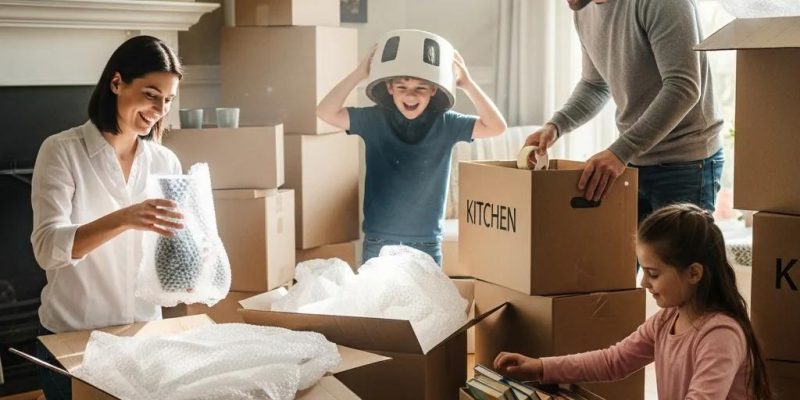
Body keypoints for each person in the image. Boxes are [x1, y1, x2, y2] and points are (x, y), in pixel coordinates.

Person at [30, 35, 185, 399]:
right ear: (117, 83)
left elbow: (173, 252)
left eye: (168, 100)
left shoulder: (166, 162)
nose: (160, 109)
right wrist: (124, 218)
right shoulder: (61, 151)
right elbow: (47, 249)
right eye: (150, 94)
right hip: (73, 341)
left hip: (145, 339)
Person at [494, 203, 771, 399]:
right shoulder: (666, 320)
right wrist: (540, 367)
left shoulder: (720, 335)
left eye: (653, 274)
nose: (643, 283)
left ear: (694, 273)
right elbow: (614, 360)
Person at [525, 0, 724, 224]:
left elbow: (683, 87)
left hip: (685, 165)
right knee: (625, 258)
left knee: (682, 259)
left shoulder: (663, 4)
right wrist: (556, 125)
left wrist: (622, 151)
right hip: (633, 161)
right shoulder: (584, 9)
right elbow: (595, 84)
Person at [317, 41, 507, 266]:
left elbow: (497, 126)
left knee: (426, 303)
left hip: (426, 243)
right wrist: (360, 73)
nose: (410, 95)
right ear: (389, 88)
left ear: (433, 90)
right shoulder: (374, 119)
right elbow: (325, 111)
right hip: (379, 241)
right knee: (376, 302)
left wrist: (467, 84)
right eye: (402, 87)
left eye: (420, 88)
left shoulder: (447, 122)